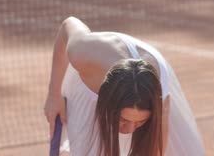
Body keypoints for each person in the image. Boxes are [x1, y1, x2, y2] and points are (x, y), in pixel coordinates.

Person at [44, 17, 205, 155]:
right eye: (123, 119)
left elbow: (155, 152)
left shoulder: (159, 94)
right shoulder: (83, 52)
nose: (129, 130)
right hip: (89, 80)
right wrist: (54, 95)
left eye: (140, 122)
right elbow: (68, 24)